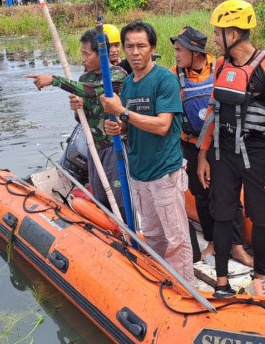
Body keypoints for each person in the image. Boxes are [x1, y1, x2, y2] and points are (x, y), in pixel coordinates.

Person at [197, 0, 265, 298]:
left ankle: (261, 277)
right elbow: (214, 110)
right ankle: (223, 282)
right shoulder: (222, 65)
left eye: (218, 32)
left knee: (262, 216)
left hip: (258, 153)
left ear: (235, 33)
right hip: (224, 153)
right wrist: (203, 154)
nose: (214, 37)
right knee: (223, 214)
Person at [100, 21, 195, 284]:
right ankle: (162, 281)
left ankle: (186, 287)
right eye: (129, 46)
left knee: (176, 237)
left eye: (141, 45)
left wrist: (123, 113)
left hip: (164, 171)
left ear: (152, 47)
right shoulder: (128, 84)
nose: (135, 52)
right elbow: (129, 127)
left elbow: (163, 125)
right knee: (152, 234)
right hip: (139, 171)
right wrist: (116, 126)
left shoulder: (165, 79)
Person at [169, 26, 253, 266]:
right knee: (202, 195)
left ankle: (236, 246)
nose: (175, 54)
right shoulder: (173, 75)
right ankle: (213, 242)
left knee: (230, 195)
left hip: (224, 144)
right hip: (192, 146)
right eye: (175, 49)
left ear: (196, 51)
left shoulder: (221, 68)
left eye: (179, 49)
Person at [26, 30, 128, 219]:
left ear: (101, 54)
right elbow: (82, 118)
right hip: (94, 147)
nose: (83, 59)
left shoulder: (117, 75)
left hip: (115, 147)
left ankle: (129, 234)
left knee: (119, 198)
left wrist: (55, 80)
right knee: (99, 195)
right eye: (81, 53)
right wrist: (77, 108)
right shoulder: (85, 78)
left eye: (86, 54)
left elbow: (93, 91)